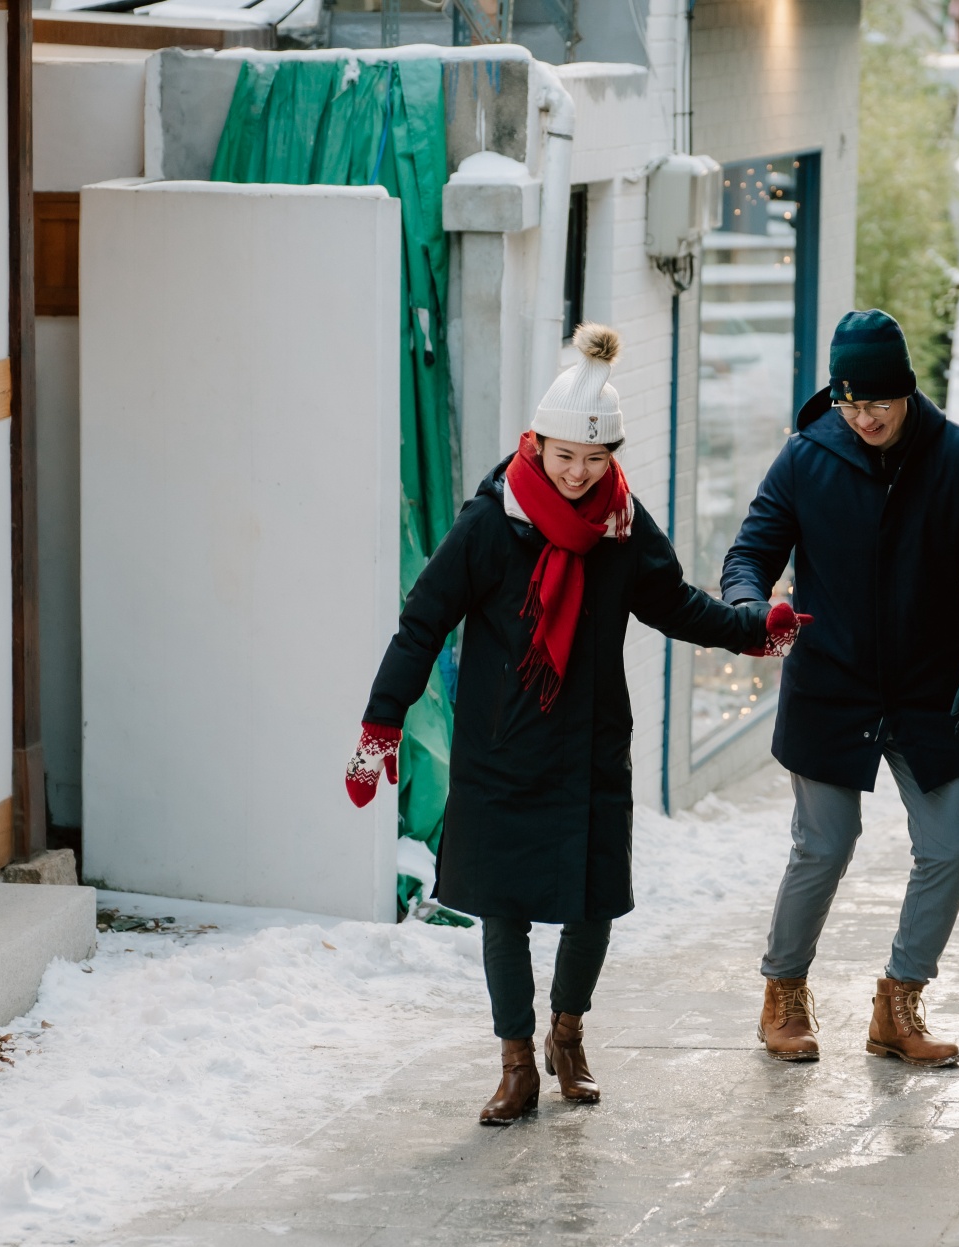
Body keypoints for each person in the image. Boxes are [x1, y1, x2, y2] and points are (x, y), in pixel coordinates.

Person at [346, 324, 809, 1125]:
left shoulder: (623, 528)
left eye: (594, 460)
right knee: (503, 912)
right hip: (499, 750)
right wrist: (382, 722)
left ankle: (568, 1032)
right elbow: (422, 621)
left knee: (591, 907)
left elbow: (675, 604)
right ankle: (516, 1062)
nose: (577, 473)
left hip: (590, 748)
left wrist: (751, 628)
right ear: (536, 441)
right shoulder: (490, 522)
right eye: (564, 457)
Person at [722, 310, 959, 1067]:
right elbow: (749, 552)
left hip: (930, 689)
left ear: (906, 391)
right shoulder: (805, 459)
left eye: (877, 405)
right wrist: (751, 608)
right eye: (849, 404)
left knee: (950, 842)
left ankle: (899, 1002)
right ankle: (783, 991)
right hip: (831, 685)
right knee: (826, 842)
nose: (863, 419)